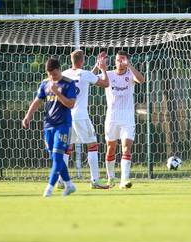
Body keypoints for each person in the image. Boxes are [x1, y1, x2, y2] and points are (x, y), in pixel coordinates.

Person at [22, 58, 77, 197]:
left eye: (54, 74)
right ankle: (69, 185)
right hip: (48, 125)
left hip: (63, 125)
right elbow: (37, 101)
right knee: (55, 157)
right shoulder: (45, 84)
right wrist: (28, 116)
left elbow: (71, 104)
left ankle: (49, 188)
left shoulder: (69, 84)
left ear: (59, 69)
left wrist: (58, 93)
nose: (52, 77)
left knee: (58, 157)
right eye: (49, 74)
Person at [60, 49, 110, 189]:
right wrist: (103, 69)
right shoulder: (86, 74)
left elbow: (85, 79)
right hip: (81, 116)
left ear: (72, 60)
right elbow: (105, 83)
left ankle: (60, 180)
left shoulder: (64, 74)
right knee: (92, 145)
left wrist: (95, 67)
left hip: (67, 115)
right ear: (82, 61)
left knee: (67, 148)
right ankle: (95, 181)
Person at [99, 51, 145, 188]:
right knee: (111, 148)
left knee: (126, 148)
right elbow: (91, 79)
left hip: (127, 118)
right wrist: (100, 68)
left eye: (122, 60)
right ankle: (111, 179)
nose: (120, 62)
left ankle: (124, 180)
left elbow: (141, 80)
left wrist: (130, 66)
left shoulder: (130, 74)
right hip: (112, 118)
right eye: (118, 60)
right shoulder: (109, 75)